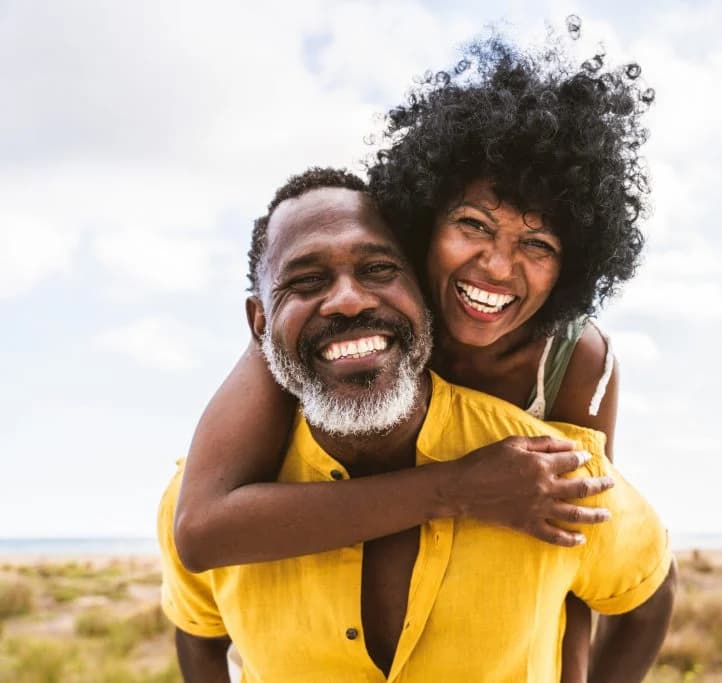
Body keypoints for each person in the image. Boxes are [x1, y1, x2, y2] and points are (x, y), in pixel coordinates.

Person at [173, 32, 655, 681]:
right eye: (473, 226)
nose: (497, 265)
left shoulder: (575, 358)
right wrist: (457, 489)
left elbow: (576, 550)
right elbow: (203, 527)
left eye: (537, 243)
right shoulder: (347, 319)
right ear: (422, 222)